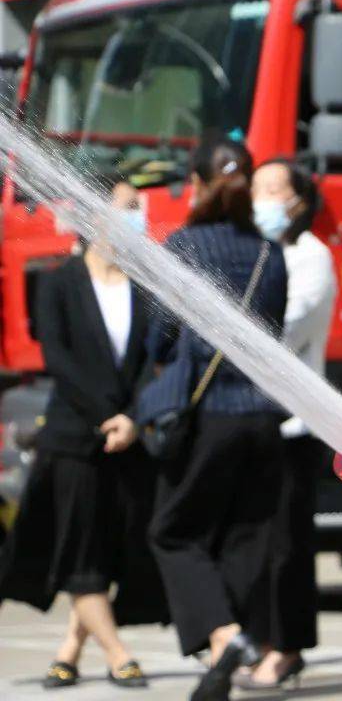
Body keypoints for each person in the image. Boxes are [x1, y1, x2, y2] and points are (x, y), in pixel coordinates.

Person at [0, 176, 166, 689]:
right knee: (80, 552)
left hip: (127, 437)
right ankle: (119, 655)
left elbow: (149, 361)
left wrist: (133, 419)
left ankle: (69, 651)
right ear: (95, 215)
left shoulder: (144, 285)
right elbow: (60, 359)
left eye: (138, 206)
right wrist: (106, 417)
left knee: (113, 549)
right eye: (125, 206)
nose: (135, 214)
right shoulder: (60, 280)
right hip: (76, 437)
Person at [141, 138, 288, 701]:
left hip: (208, 420)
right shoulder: (268, 254)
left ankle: (225, 636)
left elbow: (162, 336)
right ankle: (226, 660)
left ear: (197, 186)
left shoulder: (182, 246)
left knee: (172, 532)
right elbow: (270, 336)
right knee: (243, 541)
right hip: (262, 422)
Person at [239, 158, 336, 689]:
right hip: (249, 420)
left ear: (300, 199)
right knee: (253, 541)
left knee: (286, 545)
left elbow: (284, 329)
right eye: (256, 189)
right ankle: (259, 641)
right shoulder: (256, 253)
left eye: (273, 189)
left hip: (293, 424)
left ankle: (288, 647)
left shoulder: (311, 256)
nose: (263, 199)